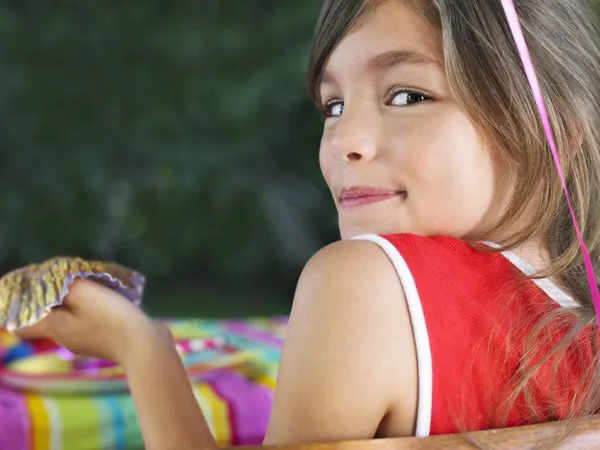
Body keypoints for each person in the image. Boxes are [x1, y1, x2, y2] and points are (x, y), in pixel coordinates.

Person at [16, 0, 600, 448]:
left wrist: (139, 347)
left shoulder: (365, 283)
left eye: (407, 95)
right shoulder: (580, 327)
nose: (344, 141)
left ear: (558, 131)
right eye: (334, 105)